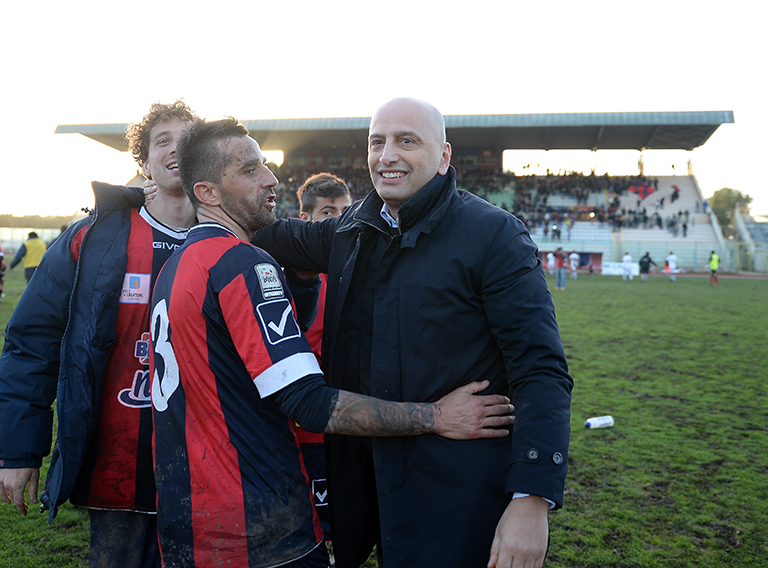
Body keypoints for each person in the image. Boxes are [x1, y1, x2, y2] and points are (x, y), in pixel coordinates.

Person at [152, 118, 515, 568]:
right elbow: (310, 403)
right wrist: (437, 416)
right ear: (207, 193)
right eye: (249, 171)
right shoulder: (241, 264)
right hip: (254, 524)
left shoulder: (174, 265)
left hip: (188, 518)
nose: (271, 178)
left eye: (264, 164)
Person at [254, 97, 572, 568]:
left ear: (444, 156)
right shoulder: (351, 229)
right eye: (377, 141)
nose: (388, 155)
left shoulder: (494, 236)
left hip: (457, 491)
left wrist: (532, 499)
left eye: (407, 141)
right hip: (368, 485)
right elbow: (272, 234)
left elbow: (540, 369)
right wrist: (170, 200)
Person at [0, 101, 203, 568]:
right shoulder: (90, 238)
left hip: (207, 464)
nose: (174, 150)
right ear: (143, 162)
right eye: (162, 141)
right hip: (117, 463)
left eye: (187, 141)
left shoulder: (236, 238)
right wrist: (18, 451)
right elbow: (32, 342)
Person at [292, 172, 353, 539]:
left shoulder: (360, 271)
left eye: (346, 210)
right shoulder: (292, 279)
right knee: (316, 527)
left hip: (359, 420)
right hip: (309, 430)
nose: (340, 220)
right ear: (306, 221)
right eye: (329, 212)